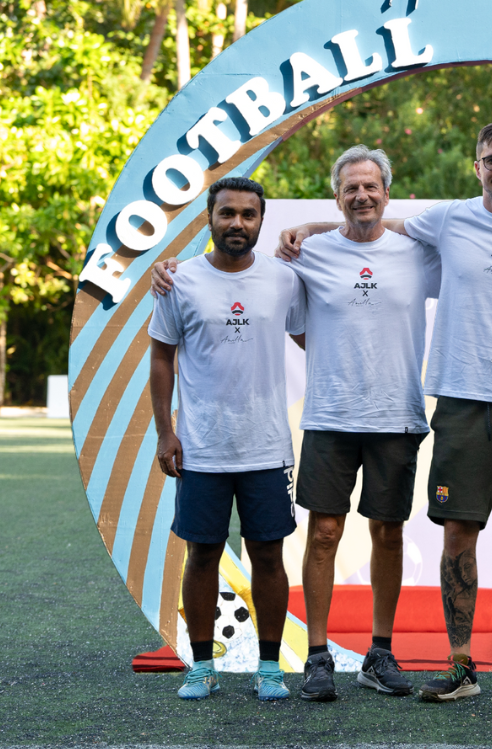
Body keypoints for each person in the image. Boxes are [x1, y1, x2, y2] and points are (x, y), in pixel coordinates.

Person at [281, 122, 492, 706]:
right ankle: (451, 664)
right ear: (476, 166)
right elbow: (369, 230)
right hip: (449, 398)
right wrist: (309, 229)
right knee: (446, 531)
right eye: (491, 159)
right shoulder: (448, 220)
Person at [152, 146, 440, 702]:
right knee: (312, 536)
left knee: (384, 533)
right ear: (337, 196)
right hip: (317, 419)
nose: (361, 196)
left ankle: (372, 654)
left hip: (391, 416)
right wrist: (166, 430)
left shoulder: (405, 253)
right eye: (350, 188)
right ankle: (309, 657)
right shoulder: (287, 262)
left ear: (387, 192)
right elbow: (170, 351)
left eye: (371, 187)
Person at [148, 176, 305, 701]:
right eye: (227, 213)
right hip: (201, 448)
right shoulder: (179, 280)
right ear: (210, 219)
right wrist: (165, 431)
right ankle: (201, 666)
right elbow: (162, 357)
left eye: (248, 214)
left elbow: (311, 337)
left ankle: (269, 668)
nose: (237, 223)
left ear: (261, 221)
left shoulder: (284, 279)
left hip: (267, 448)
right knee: (202, 555)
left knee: (268, 556)